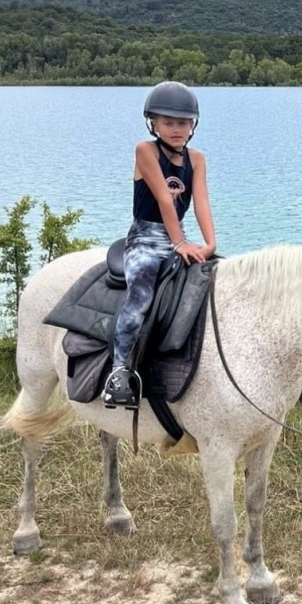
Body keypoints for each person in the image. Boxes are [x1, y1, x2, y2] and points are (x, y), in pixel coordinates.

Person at [102, 81, 216, 409]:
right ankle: (119, 370)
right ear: (152, 122)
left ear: (193, 124)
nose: (176, 129)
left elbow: (202, 203)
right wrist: (179, 241)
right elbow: (166, 200)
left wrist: (210, 243)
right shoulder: (145, 151)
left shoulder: (197, 159)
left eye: (183, 122)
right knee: (140, 293)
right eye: (168, 122)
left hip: (179, 237)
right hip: (146, 237)